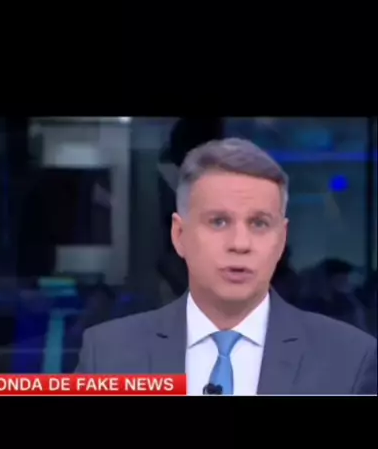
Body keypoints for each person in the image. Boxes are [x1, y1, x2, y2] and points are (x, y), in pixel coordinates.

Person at [76, 138, 377, 395]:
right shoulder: (107, 354)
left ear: (281, 239)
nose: (240, 244)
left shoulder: (350, 359)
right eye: (219, 222)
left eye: (259, 223)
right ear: (179, 236)